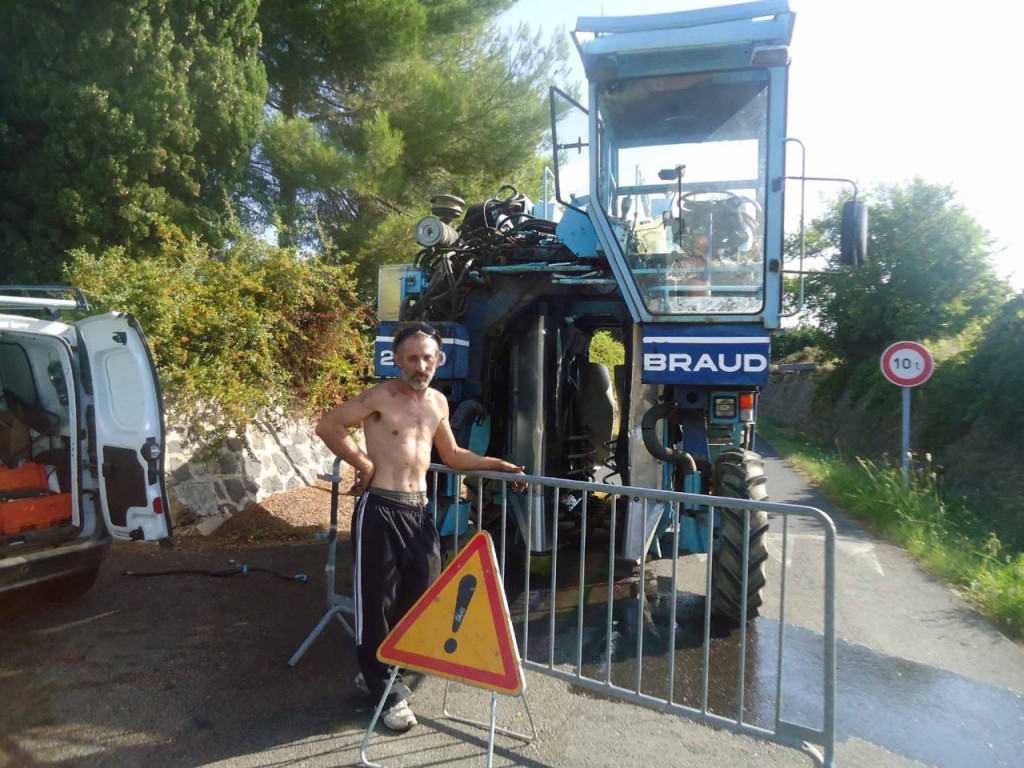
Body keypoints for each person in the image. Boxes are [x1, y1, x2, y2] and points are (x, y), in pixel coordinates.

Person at [315, 321, 524, 733]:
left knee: (425, 597)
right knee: (376, 603)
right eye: (412, 357)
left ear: (439, 360)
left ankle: (386, 677)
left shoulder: (438, 403)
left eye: (428, 357)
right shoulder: (380, 396)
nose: (420, 364)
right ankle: (386, 692)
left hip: (418, 511)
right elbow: (329, 426)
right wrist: (364, 464)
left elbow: (454, 454)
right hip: (381, 508)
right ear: (396, 359)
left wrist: (497, 464)